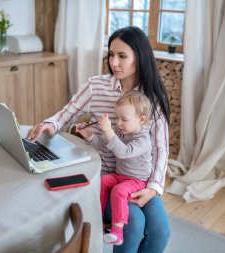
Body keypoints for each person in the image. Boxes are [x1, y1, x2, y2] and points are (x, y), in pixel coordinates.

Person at [27, 26, 171, 252]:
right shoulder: (97, 86)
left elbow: (161, 149)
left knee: (161, 231)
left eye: (122, 56)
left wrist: (153, 188)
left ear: (140, 58)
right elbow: (68, 112)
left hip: (138, 178)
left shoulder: (153, 97)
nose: (114, 62)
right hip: (104, 177)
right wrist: (51, 123)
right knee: (134, 223)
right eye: (111, 55)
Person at [76, 91, 153, 245]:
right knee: (103, 181)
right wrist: (90, 136)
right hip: (120, 175)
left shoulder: (143, 139)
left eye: (124, 119)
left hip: (137, 180)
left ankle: (117, 230)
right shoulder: (122, 133)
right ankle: (99, 219)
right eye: (117, 118)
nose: (118, 123)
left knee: (119, 190)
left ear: (141, 119)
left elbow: (124, 153)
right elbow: (105, 144)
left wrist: (108, 131)